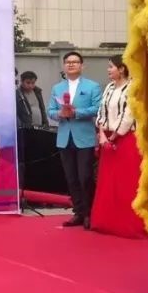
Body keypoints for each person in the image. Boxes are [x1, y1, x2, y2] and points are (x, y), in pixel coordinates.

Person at [90, 55, 146, 237]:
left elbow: (129, 116)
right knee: (108, 181)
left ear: (121, 68)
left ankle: (128, 224)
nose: (108, 70)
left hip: (126, 139)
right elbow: (102, 111)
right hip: (106, 138)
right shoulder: (109, 87)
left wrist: (113, 137)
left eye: (111, 67)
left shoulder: (133, 87)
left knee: (126, 181)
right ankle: (106, 222)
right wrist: (102, 134)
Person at [47, 51, 102, 228]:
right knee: (71, 178)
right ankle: (78, 212)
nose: (71, 64)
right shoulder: (57, 88)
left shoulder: (92, 86)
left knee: (85, 177)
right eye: (68, 62)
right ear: (64, 66)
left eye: (75, 62)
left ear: (82, 66)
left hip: (84, 137)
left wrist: (76, 112)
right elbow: (50, 111)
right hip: (64, 137)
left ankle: (90, 213)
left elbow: (97, 108)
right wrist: (60, 113)